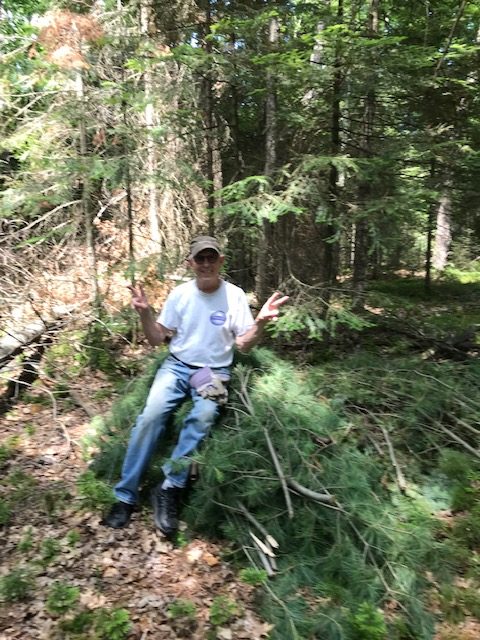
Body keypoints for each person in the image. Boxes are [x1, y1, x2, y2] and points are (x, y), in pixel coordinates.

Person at [103, 235, 289, 535]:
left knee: (202, 417)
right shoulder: (180, 295)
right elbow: (156, 338)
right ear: (190, 263)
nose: (205, 264)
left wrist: (261, 322)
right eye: (199, 258)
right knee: (150, 418)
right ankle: (125, 496)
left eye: (211, 258)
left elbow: (243, 345)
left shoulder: (235, 296)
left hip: (211, 373)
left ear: (221, 261)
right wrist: (145, 314)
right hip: (176, 367)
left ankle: (169, 486)